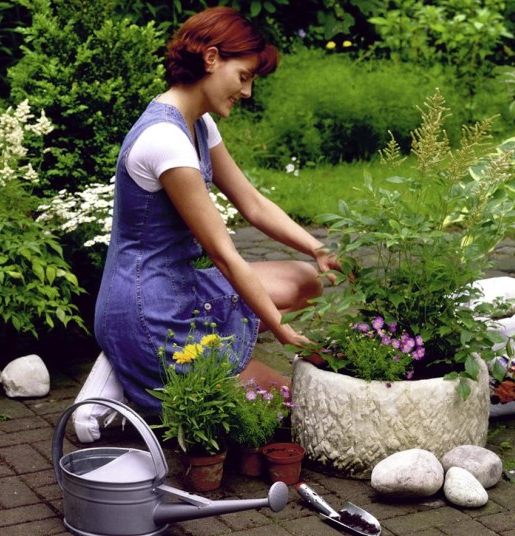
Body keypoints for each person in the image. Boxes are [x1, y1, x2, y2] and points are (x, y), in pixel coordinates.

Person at [74, 7, 340, 442]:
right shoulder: (164, 140)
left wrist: (317, 248)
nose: (249, 91)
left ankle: (135, 374)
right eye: (244, 76)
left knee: (304, 281)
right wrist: (280, 330)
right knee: (285, 404)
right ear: (212, 58)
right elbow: (223, 252)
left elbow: (252, 203)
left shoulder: (198, 122)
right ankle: (122, 384)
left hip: (180, 286)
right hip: (147, 311)